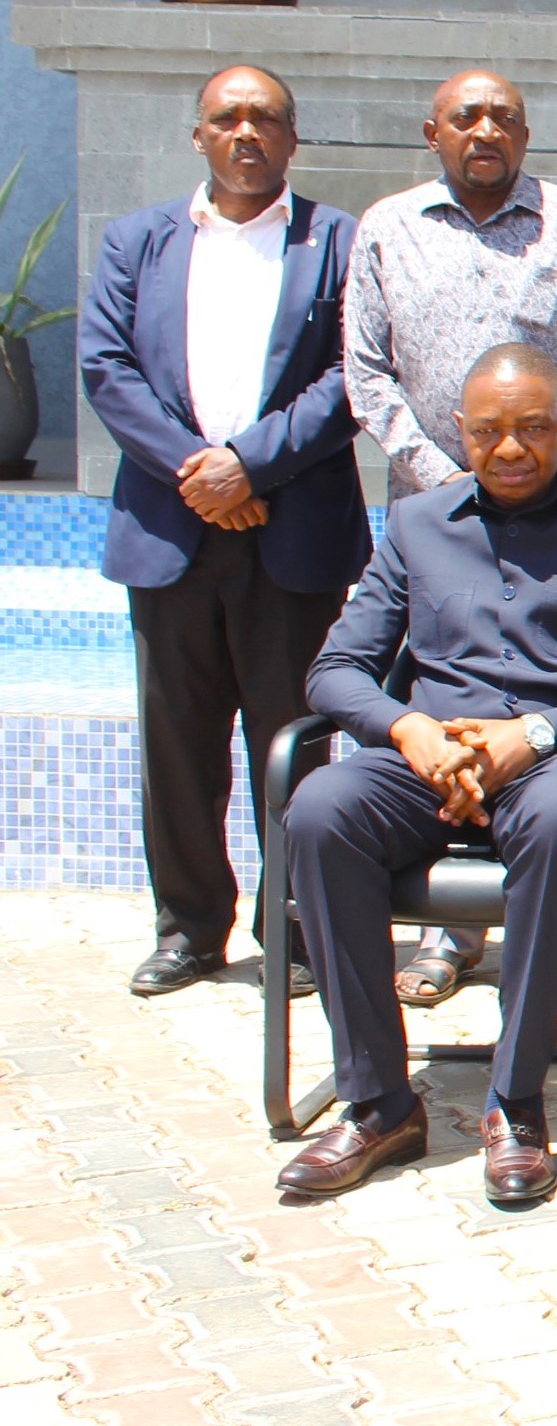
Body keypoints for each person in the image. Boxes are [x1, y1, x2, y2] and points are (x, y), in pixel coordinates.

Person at [273, 344, 557, 1206]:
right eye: (491, 431)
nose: (512, 449)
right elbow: (336, 669)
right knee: (319, 807)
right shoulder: (417, 525)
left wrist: (534, 732)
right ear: (460, 433)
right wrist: (409, 727)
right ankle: (378, 1102)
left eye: (534, 429)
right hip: (427, 764)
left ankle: (516, 1099)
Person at [81, 65, 371, 999]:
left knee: (293, 739)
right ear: (198, 135)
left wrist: (250, 466)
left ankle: (291, 923)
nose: (246, 132)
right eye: (227, 118)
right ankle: (191, 926)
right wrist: (199, 474)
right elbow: (107, 367)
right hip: (172, 532)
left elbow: (350, 376)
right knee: (180, 742)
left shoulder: (338, 241)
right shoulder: (138, 241)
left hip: (292, 533)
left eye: (266, 119)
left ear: (292, 139)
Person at [345, 68, 557, 1009]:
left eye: (504, 115)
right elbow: (367, 369)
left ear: (527, 129)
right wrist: (450, 482)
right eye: (467, 116)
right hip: (432, 512)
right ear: (433, 132)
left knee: (532, 692)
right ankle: (441, 936)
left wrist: (538, 459)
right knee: (437, 687)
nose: (486, 129)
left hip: (552, 504)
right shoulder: (386, 228)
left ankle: (524, 947)